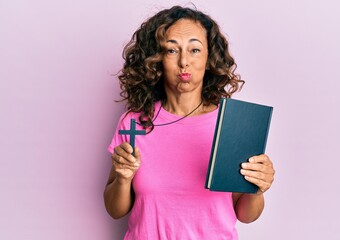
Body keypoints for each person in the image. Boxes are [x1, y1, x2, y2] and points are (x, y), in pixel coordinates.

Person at [104, 5, 275, 239]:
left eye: (195, 50)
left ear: (209, 57)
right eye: (172, 51)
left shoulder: (232, 124)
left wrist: (257, 189)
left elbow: (245, 215)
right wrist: (123, 179)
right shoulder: (135, 122)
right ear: (157, 58)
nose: (184, 61)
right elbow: (115, 210)